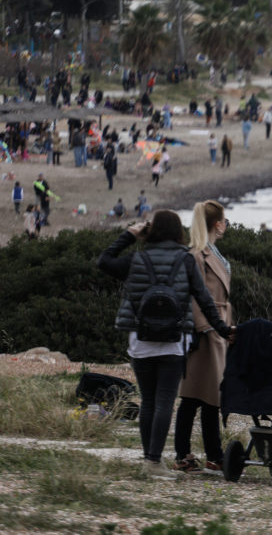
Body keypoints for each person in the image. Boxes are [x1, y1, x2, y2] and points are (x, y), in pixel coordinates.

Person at [96, 210, 235, 480]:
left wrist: (129, 235)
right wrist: (223, 329)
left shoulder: (137, 259)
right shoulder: (185, 260)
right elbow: (204, 300)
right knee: (164, 402)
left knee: (148, 401)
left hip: (140, 339)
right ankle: (153, 461)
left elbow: (104, 261)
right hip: (173, 340)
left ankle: (151, 460)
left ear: (152, 231)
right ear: (177, 233)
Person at [174, 201, 233, 474]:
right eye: (224, 219)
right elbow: (194, 296)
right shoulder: (197, 254)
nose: (226, 223)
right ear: (217, 223)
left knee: (208, 396)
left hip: (218, 328)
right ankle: (190, 453)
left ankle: (210, 454)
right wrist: (204, 327)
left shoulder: (212, 252)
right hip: (206, 331)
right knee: (196, 395)